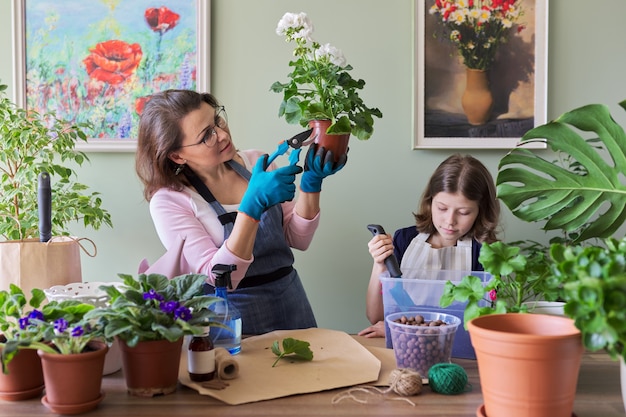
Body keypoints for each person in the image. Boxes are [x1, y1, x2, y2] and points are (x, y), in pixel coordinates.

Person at [135, 89, 347, 335]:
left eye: (217, 121)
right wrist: (252, 206)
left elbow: (298, 239)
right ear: (177, 155)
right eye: (207, 136)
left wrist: (311, 184)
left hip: (291, 301)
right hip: (230, 318)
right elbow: (219, 277)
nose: (223, 135)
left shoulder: (256, 162)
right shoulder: (169, 201)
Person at [358, 154, 500, 338]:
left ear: (481, 210)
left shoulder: (484, 253)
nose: (450, 221)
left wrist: (409, 329)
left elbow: (480, 326)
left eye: (463, 212)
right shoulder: (404, 239)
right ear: (430, 201)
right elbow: (375, 316)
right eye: (442, 208)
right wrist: (379, 264)